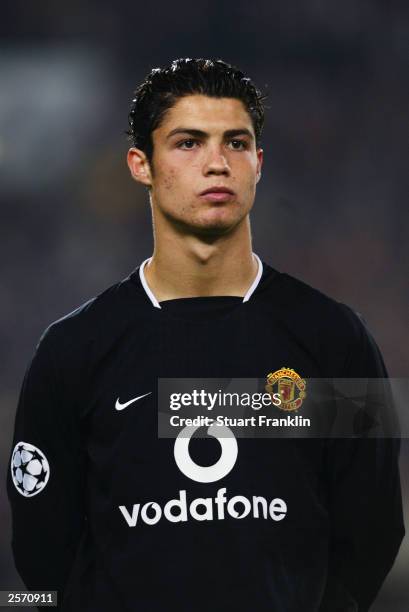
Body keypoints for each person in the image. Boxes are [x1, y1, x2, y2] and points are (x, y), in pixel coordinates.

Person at [7, 58, 404, 611]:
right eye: (189, 143)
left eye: (236, 143)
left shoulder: (333, 338)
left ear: (258, 163)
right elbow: (42, 553)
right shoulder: (73, 351)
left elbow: (373, 529)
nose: (217, 163)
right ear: (140, 165)